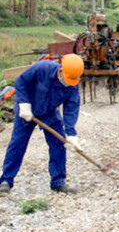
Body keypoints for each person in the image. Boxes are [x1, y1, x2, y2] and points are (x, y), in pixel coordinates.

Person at [0, 54, 85, 194]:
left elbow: (71, 108)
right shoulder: (42, 68)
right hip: (26, 111)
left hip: (49, 113)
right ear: (61, 70)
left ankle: (58, 182)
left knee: (58, 144)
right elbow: (21, 81)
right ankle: (6, 180)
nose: (69, 82)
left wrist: (71, 133)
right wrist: (23, 103)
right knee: (17, 144)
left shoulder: (72, 85)